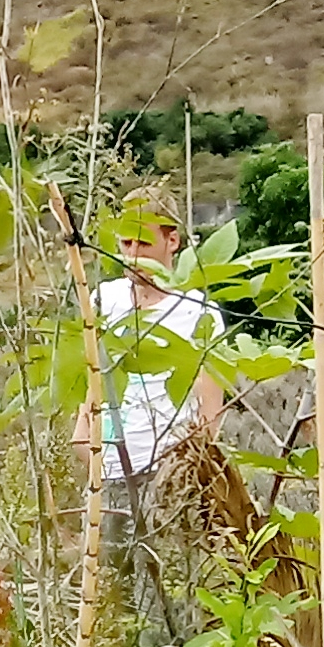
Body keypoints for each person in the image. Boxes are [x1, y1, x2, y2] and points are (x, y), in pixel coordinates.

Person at [93, 201, 224, 487]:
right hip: (107, 475)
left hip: (171, 475)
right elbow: (89, 384)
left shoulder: (200, 312)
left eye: (143, 243)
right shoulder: (103, 300)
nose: (133, 254)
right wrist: (85, 445)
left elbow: (210, 414)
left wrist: (184, 474)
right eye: (126, 243)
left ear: (172, 240)